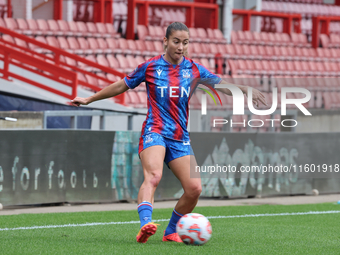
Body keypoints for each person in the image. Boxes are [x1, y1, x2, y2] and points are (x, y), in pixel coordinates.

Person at [71, 22, 266, 243]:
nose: (181, 47)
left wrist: (246, 90)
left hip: (180, 137)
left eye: (185, 42)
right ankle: (146, 224)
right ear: (165, 41)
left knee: (194, 189)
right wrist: (89, 99)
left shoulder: (194, 69)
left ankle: (171, 231)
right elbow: (121, 86)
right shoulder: (150, 67)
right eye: (176, 41)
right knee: (153, 176)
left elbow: (221, 85)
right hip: (155, 131)